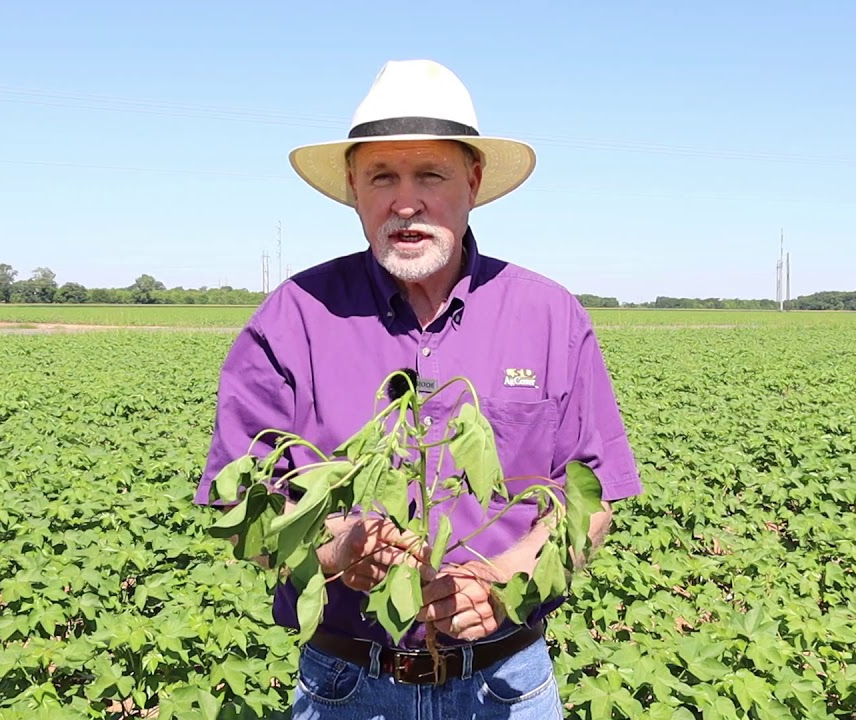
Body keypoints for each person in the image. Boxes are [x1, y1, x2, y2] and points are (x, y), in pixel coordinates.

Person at [195, 59, 642, 719]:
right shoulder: (293, 319)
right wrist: (334, 547)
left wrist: (503, 579)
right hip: (349, 686)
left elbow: (590, 499)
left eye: (430, 174)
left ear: (473, 180)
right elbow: (244, 514)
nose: (406, 202)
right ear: (353, 188)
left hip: (506, 685)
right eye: (382, 177)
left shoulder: (549, 316)